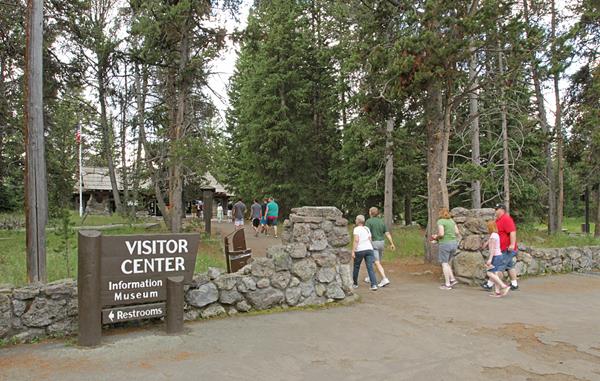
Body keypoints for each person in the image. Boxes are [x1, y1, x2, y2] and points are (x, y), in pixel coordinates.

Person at [482, 204, 519, 291]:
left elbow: (512, 231)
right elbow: (495, 233)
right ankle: (514, 284)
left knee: (499, 267)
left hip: (507, 249)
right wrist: (488, 242)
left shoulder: (506, 219)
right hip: (502, 248)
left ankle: (489, 284)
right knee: (510, 266)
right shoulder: (498, 220)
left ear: (502, 209)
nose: (495, 210)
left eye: (497, 209)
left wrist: (512, 244)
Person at [364, 207, 396, 288]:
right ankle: (369, 277)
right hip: (382, 243)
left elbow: (367, 234)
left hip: (374, 243)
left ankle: (384, 279)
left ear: (370, 213)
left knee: (376, 262)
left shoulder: (368, 221)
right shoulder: (381, 221)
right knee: (377, 262)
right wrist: (392, 243)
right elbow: (387, 233)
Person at [432, 208, 460, 290]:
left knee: (444, 264)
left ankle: (447, 284)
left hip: (445, 244)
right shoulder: (451, 221)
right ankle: (452, 279)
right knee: (447, 263)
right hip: (454, 243)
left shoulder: (441, 221)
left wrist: (436, 237)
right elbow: (457, 232)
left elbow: (441, 234)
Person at [351, 214, 378, 291]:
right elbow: (370, 239)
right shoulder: (367, 228)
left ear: (358, 221)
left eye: (356, 219)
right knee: (370, 267)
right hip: (369, 249)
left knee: (356, 266)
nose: (355, 220)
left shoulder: (356, 229)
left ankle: (355, 283)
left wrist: (353, 251)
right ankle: (374, 285)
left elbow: (356, 240)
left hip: (360, 250)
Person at [484, 220, 510, 297]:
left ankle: (504, 286)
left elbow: (492, 249)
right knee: (495, 274)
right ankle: (497, 292)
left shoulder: (492, 236)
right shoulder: (496, 235)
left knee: (489, 273)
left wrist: (490, 259)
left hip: (495, 256)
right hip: (499, 255)